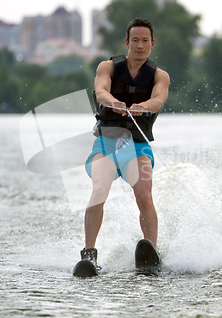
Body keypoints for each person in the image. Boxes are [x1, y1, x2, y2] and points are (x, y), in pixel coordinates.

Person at [80, 18, 170, 268]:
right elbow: (100, 90)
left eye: (145, 41)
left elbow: (159, 100)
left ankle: (150, 249)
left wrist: (144, 106)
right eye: (135, 40)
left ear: (152, 44)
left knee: (144, 196)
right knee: (99, 191)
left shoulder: (159, 76)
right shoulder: (107, 67)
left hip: (138, 146)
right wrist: (113, 101)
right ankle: (89, 253)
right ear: (127, 42)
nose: (140, 45)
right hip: (106, 144)